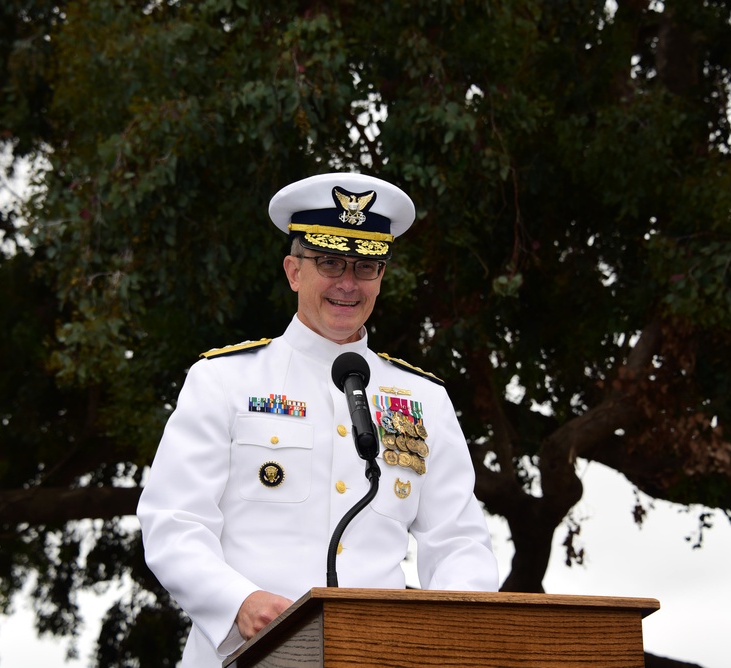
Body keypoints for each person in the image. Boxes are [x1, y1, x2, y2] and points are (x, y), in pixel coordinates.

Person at [136, 172, 499, 667]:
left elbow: (458, 540)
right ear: (293, 271)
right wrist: (237, 602)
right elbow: (174, 520)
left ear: (381, 276)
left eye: (365, 266)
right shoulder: (224, 380)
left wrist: (452, 636)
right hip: (243, 656)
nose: (347, 283)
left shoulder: (423, 399)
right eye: (329, 262)